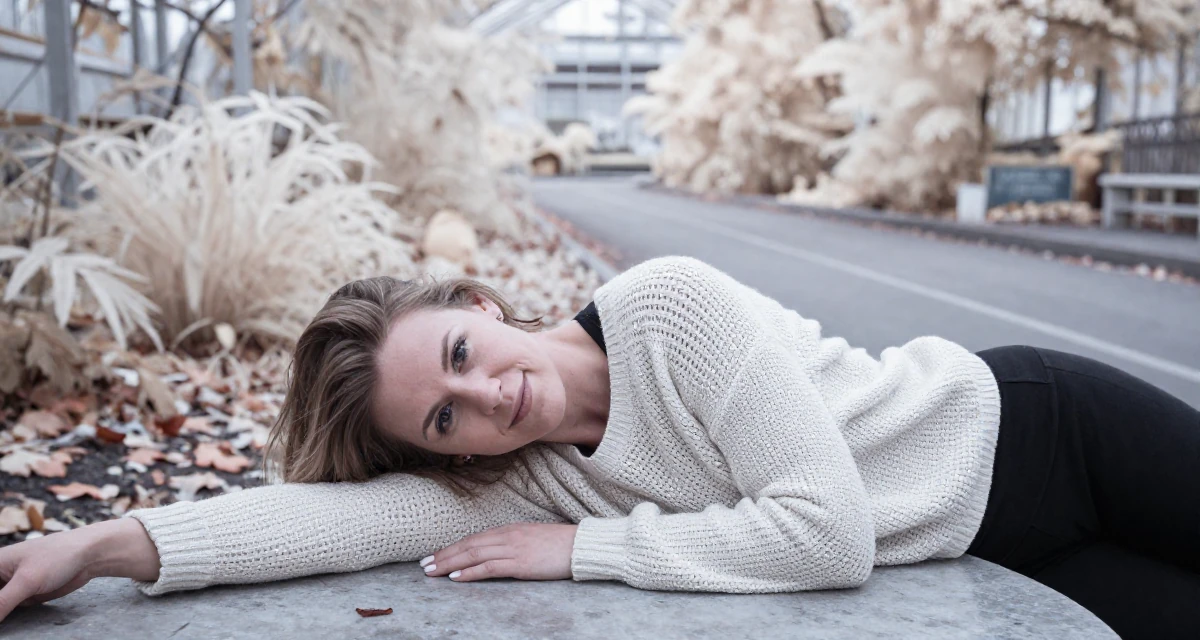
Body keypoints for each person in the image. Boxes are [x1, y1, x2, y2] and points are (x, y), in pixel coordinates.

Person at [0, 255, 1196, 638]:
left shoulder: (668, 306)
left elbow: (827, 535)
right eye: (443, 417)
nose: (487, 398)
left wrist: (586, 550)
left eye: (461, 355)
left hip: (1039, 431)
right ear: (444, 450)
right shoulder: (510, 476)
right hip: (987, 543)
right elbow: (329, 519)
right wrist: (110, 542)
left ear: (477, 302)